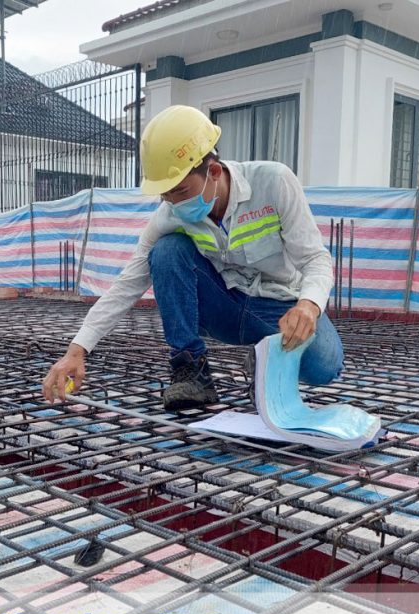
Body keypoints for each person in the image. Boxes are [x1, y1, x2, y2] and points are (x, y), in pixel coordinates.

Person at [42, 104, 343, 410]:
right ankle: (191, 370)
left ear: (214, 172)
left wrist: (308, 305)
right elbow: (128, 283)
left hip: (278, 307)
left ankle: (265, 357)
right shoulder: (170, 215)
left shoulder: (274, 183)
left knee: (324, 365)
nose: (174, 203)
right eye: (166, 195)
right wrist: (77, 349)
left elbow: (315, 259)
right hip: (222, 307)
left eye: (181, 191)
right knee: (167, 251)